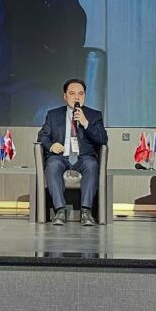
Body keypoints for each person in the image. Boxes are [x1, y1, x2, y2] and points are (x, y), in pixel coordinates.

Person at [37, 78, 107, 226]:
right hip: (61, 157)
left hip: (84, 157)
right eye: (72, 93)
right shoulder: (53, 115)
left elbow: (103, 139)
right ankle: (60, 210)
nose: (77, 97)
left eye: (80, 94)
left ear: (85, 96)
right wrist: (51, 146)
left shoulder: (94, 115)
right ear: (65, 96)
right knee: (52, 165)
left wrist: (85, 123)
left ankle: (86, 212)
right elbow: (42, 136)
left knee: (92, 165)